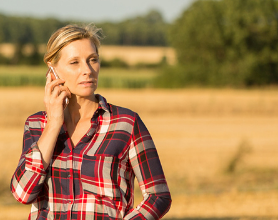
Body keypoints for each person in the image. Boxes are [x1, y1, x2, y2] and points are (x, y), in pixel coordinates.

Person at [9, 24, 172, 220]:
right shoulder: (36, 125)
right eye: (74, 62)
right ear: (53, 70)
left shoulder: (126, 123)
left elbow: (158, 195)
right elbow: (23, 193)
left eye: (92, 60)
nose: (87, 70)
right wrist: (53, 124)